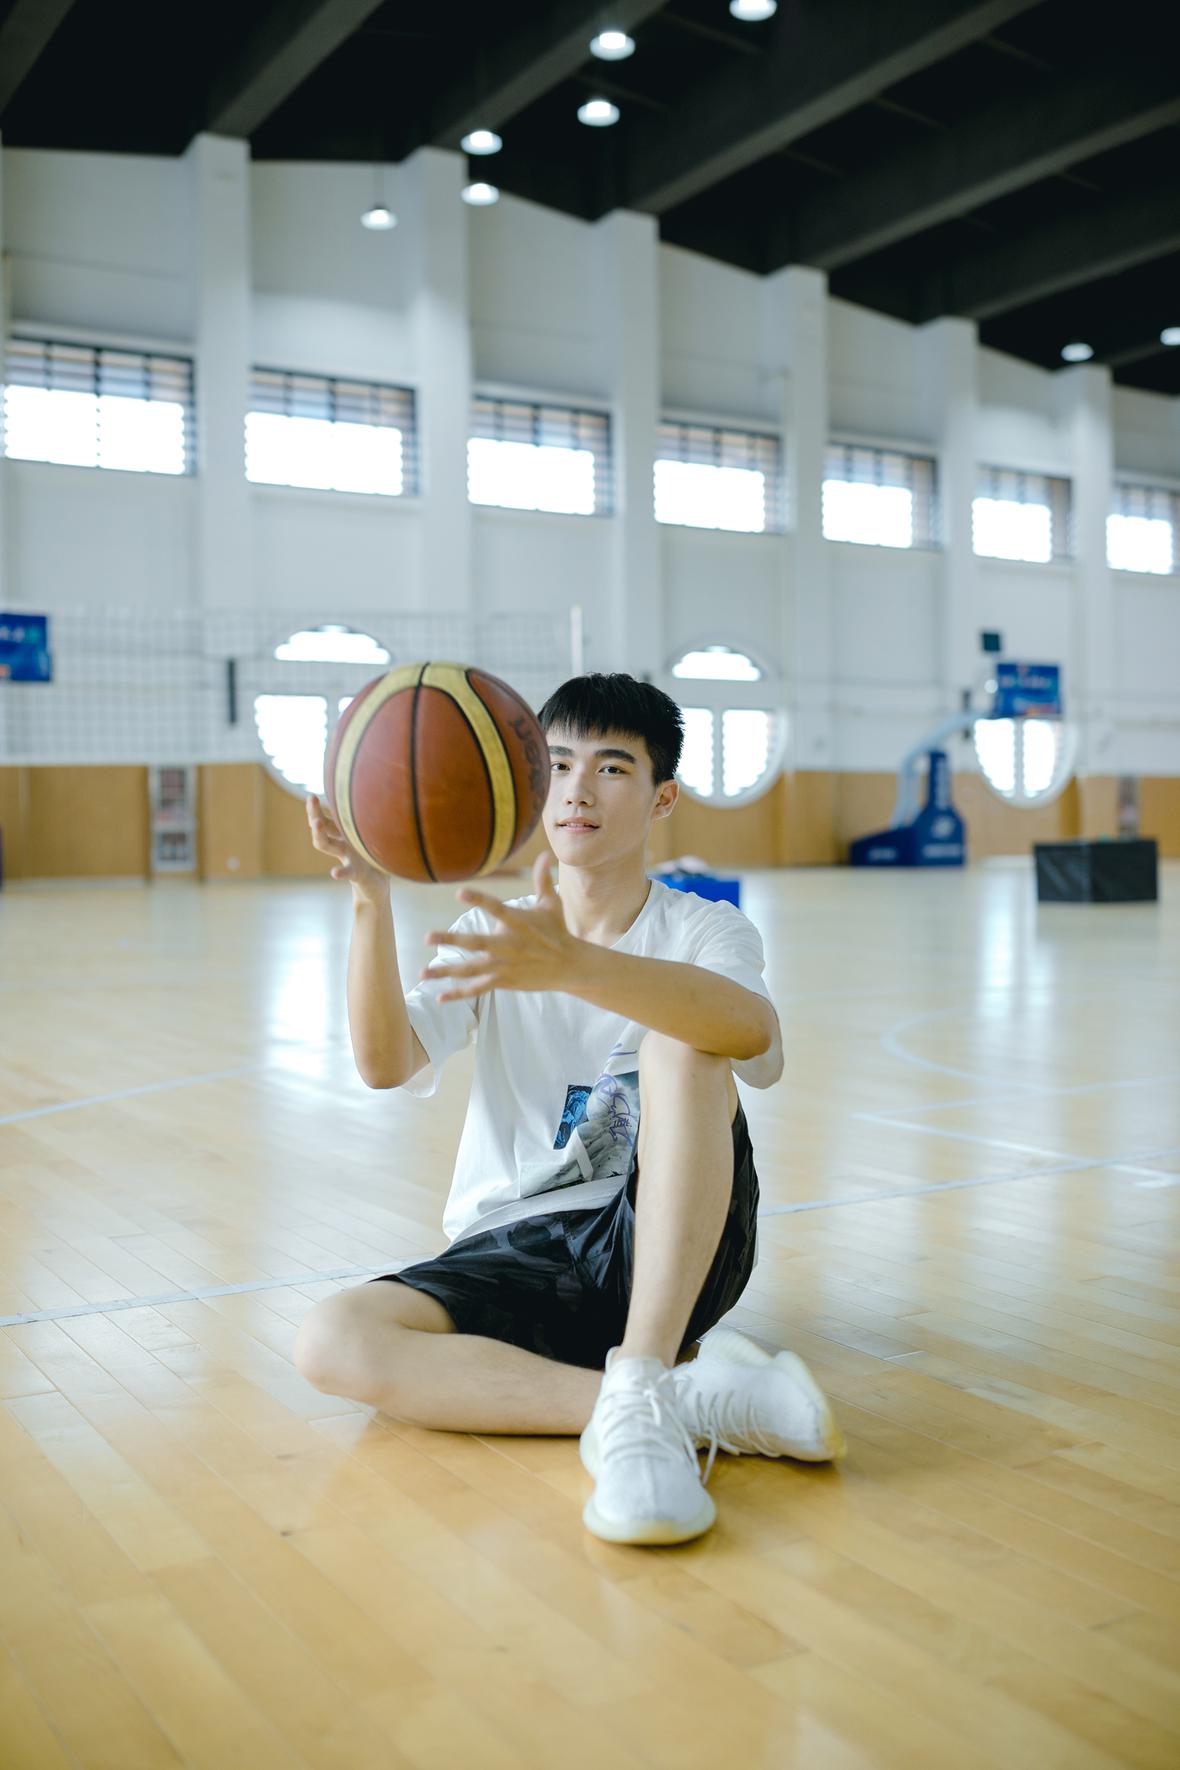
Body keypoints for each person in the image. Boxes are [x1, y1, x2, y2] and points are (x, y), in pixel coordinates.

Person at [295, 672, 845, 1544]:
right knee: (332, 1341)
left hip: (661, 1234)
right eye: (556, 765)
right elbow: (385, 1062)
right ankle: (668, 1401)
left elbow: (749, 1031)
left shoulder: (704, 929)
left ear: (662, 798)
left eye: (612, 767)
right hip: (515, 1243)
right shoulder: (496, 932)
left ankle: (648, 1363)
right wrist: (371, 897)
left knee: (682, 1043)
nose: (578, 788)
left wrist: (578, 968)